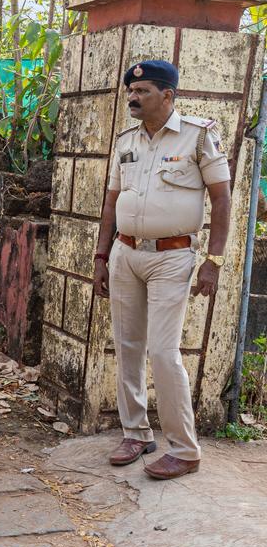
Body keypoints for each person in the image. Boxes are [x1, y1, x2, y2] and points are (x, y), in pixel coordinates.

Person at [93, 60, 232, 480]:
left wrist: (214, 260)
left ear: (168, 95)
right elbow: (110, 202)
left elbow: (222, 201)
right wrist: (101, 256)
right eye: (131, 92)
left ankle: (185, 449)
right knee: (128, 345)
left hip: (173, 257)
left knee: (163, 352)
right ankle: (136, 432)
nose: (133, 98)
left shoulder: (199, 135)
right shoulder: (126, 140)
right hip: (125, 253)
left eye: (144, 92)